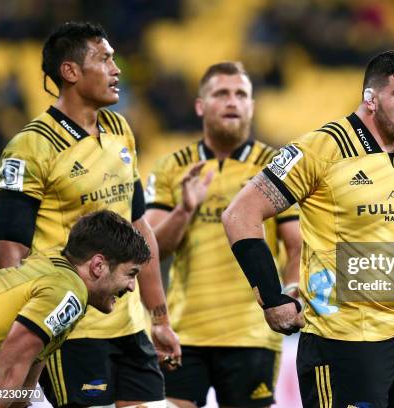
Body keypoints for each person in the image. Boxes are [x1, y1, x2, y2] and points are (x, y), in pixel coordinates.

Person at [222, 51, 394, 408]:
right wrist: (272, 298)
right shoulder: (321, 149)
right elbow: (240, 214)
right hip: (340, 346)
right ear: (371, 99)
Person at [0, 22, 179, 407]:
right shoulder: (30, 146)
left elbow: (140, 227)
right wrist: (25, 338)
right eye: (105, 59)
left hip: (129, 326)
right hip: (70, 328)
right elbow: (12, 251)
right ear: (71, 71)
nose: (117, 69)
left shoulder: (120, 130)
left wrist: (158, 318)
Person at [144, 61, 301, 408]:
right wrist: (185, 210)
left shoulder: (275, 166)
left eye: (241, 94)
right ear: (201, 105)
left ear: (252, 106)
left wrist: (290, 292)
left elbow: (295, 247)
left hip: (253, 334)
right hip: (186, 333)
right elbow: (150, 251)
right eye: (221, 94)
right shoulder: (173, 166)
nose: (232, 101)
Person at [0, 210, 151, 408]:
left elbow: (23, 388)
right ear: (98, 265)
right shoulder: (69, 294)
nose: (132, 287)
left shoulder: (54, 265)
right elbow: (3, 377)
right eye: (131, 273)